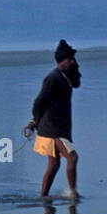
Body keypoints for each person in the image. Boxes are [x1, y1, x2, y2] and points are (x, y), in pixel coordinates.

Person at [27, 38, 81, 200]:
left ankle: (43, 197)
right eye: (70, 59)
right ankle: (73, 193)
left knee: (54, 165)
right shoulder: (53, 78)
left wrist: (74, 66)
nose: (72, 62)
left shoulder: (64, 78)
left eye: (73, 59)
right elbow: (39, 102)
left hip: (57, 126)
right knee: (72, 157)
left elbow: (77, 82)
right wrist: (33, 121)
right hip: (52, 128)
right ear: (61, 61)